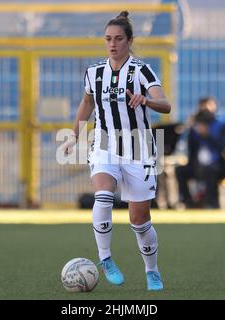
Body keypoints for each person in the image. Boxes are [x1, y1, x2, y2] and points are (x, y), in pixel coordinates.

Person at [62, 11, 171, 291]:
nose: (112, 44)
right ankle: (106, 259)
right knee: (103, 194)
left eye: (118, 39)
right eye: (108, 39)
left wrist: (146, 99)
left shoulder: (142, 71)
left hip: (138, 146)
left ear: (129, 40)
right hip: (105, 143)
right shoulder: (94, 73)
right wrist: (75, 132)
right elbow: (87, 103)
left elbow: (166, 104)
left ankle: (152, 270)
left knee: (140, 220)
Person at [175, 108, 225, 209]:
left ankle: (212, 203)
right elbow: (190, 149)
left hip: (217, 166)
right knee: (180, 171)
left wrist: (207, 134)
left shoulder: (221, 127)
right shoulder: (194, 131)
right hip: (197, 165)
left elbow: (222, 146)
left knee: (210, 171)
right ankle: (188, 201)